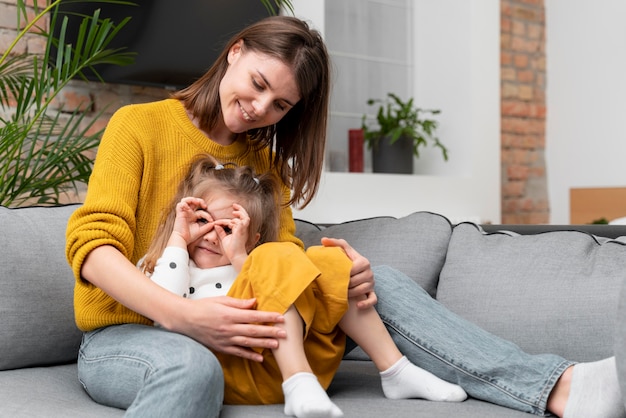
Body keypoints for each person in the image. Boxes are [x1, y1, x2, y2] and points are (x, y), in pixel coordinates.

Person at [65, 15, 624, 418]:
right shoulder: (137, 125)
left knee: (377, 286)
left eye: (280, 105)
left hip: (240, 322)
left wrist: (330, 274)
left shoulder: (263, 164)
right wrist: (182, 318)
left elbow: (269, 265)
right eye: (259, 84)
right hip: (131, 333)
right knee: (191, 368)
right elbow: (92, 250)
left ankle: (561, 388)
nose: (261, 108)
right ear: (235, 51)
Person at [139, 155, 467, 417]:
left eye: (227, 228)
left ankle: (395, 370)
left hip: (280, 362)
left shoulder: (250, 262)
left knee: (328, 259)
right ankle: (299, 382)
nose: (211, 235)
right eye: (202, 221)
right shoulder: (167, 263)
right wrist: (179, 240)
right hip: (234, 371)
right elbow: (162, 311)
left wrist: (240, 256)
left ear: (249, 239)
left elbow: (262, 280)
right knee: (277, 254)